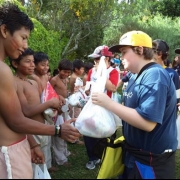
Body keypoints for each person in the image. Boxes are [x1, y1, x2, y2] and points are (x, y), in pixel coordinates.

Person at [0, 3, 80, 179]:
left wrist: (33, 145)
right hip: (9, 155)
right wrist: (58, 130)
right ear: (5, 30)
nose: (25, 45)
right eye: (23, 37)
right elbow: (16, 121)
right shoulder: (3, 71)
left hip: (15, 147)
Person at [92, 31, 177, 178]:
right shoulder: (134, 74)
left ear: (140, 49)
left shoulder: (154, 75)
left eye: (124, 52)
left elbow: (147, 123)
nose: (120, 57)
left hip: (151, 159)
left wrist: (109, 104)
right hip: (134, 153)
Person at [9, 48, 61, 173]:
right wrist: (49, 103)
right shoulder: (15, 83)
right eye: (28, 61)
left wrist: (54, 103)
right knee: (33, 160)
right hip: (31, 130)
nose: (32, 65)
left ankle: (46, 169)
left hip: (42, 124)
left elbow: (42, 101)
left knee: (45, 150)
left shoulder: (32, 82)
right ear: (15, 64)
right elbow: (26, 112)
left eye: (33, 61)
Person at [84, 45, 119, 170]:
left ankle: (105, 156)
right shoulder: (91, 71)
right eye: (95, 59)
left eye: (98, 59)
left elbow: (112, 88)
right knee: (88, 131)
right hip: (92, 105)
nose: (95, 62)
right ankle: (93, 158)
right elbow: (87, 88)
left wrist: (102, 72)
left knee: (106, 132)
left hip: (106, 107)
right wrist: (84, 91)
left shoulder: (113, 72)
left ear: (107, 59)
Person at [50, 59, 73, 165]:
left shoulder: (66, 79)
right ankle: (60, 159)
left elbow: (64, 92)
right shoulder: (54, 80)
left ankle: (65, 152)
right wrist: (56, 108)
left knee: (65, 129)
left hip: (64, 107)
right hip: (56, 109)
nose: (66, 74)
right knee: (58, 134)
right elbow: (49, 94)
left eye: (68, 72)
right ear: (59, 69)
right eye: (64, 71)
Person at [152, 39, 180, 110]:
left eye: (151, 50)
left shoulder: (172, 74)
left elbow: (177, 96)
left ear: (159, 54)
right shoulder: (144, 72)